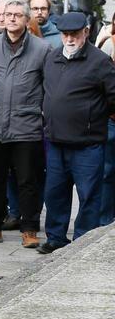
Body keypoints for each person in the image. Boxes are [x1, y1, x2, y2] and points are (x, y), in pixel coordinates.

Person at [0, 0, 50, 248]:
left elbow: (49, 87)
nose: (12, 18)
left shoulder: (42, 49)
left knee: (27, 180)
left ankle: (29, 229)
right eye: (8, 14)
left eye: (18, 14)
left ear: (27, 20)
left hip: (27, 126)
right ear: (2, 18)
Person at [38, 13, 115, 253]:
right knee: (55, 193)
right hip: (56, 141)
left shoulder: (100, 61)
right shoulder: (52, 58)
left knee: (89, 195)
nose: (69, 39)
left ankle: (83, 242)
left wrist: (93, 117)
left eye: (74, 34)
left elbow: (113, 97)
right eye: (65, 34)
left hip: (87, 144)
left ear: (86, 32)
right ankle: (55, 237)